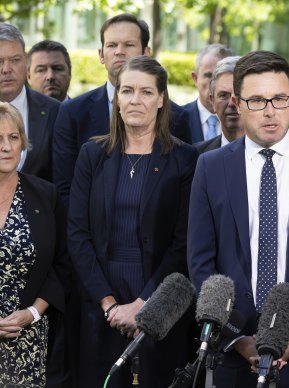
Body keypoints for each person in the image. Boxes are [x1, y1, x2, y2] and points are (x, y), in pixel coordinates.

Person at [188, 50, 289, 388]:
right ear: (237, 102)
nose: (269, 112)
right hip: (232, 355)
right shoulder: (210, 167)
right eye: (257, 101)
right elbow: (200, 264)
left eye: (280, 99)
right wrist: (236, 338)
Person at [67, 55, 198, 388]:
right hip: (101, 301)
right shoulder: (92, 155)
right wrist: (109, 304)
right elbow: (78, 235)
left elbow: (184, 242)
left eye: (145, 92)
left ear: (161, 100)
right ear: (117, 99)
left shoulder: (184, 159)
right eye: (127, 91)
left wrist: (144, 304)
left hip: (158, 301)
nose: (135, 100)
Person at [52, 13, 192, 206]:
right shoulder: (72, 112)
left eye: (128, 45)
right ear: (101, 54)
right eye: (111, 45)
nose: (119, 51)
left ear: (146, 51)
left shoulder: (176, 116)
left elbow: (180, 193)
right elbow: (64, 189)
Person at [0, 102, 69, 387]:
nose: (6, 147)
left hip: (27, 341)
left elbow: (61, 264)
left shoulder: (45, 195)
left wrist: (33, 313)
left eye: (13, 137)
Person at [0, 23, 60, 182]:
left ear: (26, 61)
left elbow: (62, 180)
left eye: (15, 60)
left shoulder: (55, 111)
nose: (6, 69)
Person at [183, 43, 235, 143]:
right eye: (208, 75)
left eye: (221, 76)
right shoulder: (175, 120)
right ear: (195, 78)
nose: (214, 84)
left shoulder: (245, 122)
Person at [195, 55, 243, 154]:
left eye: (238, 95)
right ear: (213, 101)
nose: (231, 103)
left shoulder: (271, 154)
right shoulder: (195, 156)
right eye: (224, 95)